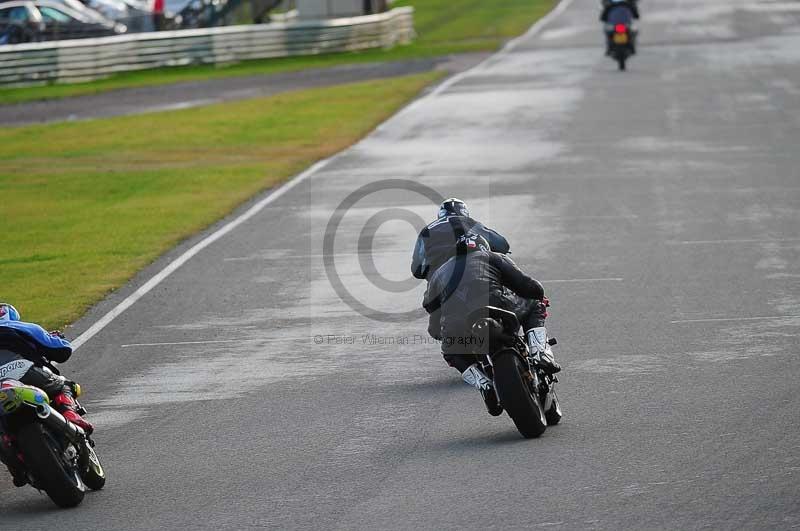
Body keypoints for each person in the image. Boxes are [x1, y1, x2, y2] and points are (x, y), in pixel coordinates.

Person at [422, 235, 560, 395]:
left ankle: (482, 384)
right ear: (483, 247)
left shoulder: (439, 274)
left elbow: (430, 308)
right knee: (535, 303)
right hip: (497, 306)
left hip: (457, 323)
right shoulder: (492, 256)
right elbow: (527, 286)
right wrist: (538, 294)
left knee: (451, 351)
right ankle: (540, 352)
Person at [411, 198, 510, 281]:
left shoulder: (426, 230)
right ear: (464, 212)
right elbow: (502, 245)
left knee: (429, 303)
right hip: (472, 273)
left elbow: (416, 270)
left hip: (438, 281)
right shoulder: (469, 222)